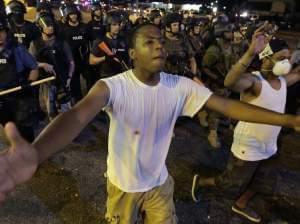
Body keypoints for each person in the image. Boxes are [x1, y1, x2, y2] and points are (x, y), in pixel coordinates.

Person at [1, 23, 300, 224]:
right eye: (149, 42)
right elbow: (76, 116)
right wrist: (37, 153)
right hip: (124, 187)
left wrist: (287, 119)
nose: (159, 46)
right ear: (132, 54)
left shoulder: (179, 85)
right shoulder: (112, 87)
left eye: (160, 41)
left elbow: (229, 106)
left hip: (160, 184)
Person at [191, 28, 300, 223]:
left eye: (288, 57)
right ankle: (202, 181)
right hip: (248, 147)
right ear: (267, 57)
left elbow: (298, 73)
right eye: (282, 57)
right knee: (230, 183)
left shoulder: (283, 81)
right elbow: (230, 82)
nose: (287, 62)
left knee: (263, 183)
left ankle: (240, 204)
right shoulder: (255, 81)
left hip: (269, 146)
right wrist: (250, 53)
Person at [0, 15, 39, 142]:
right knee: (9, 129)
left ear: (6, 32)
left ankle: (31, 155)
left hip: (19, 97)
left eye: (1, 32)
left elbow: (34, 68)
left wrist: (30, 82)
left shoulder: (17, 49)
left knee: (25, 132)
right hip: (1, 100)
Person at [29, 13, 74, 120]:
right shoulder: (35, 44)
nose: (50, 28)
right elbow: (30, 62)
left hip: (62, 80)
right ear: (40, 28)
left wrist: (69, 77)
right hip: (46, 83)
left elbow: (71, 61)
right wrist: (42, 64)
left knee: (66, 111)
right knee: (51, 112)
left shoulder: (61, 42)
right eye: (47, 26)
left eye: (52, 25)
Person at [89, 10, 129, 80]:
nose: (117, 27)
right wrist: (105, 58)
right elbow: (91, 61)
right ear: (108, 26)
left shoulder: (123, 40)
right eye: (114, 25)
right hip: (106, 77)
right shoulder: (100, 41)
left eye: (118, 25)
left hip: (122, 76)